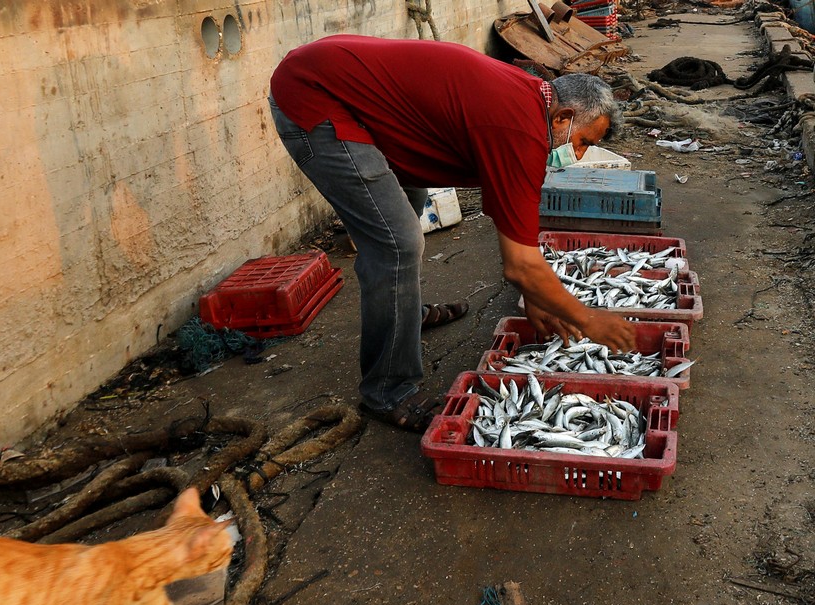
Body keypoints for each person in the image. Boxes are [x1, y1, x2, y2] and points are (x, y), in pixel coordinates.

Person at [269, 35, 637, 432]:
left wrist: (538, 298)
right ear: (562, 117)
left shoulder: (530, 97)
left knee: (405, 206)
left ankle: (403, 314)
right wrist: (588, 320)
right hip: (313, 96)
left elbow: (519, 237)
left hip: (343, 87)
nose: (579, 154)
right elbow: (520, 265)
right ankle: (388, 391)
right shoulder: (519, 129)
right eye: (583, 142)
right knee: (397, 242)